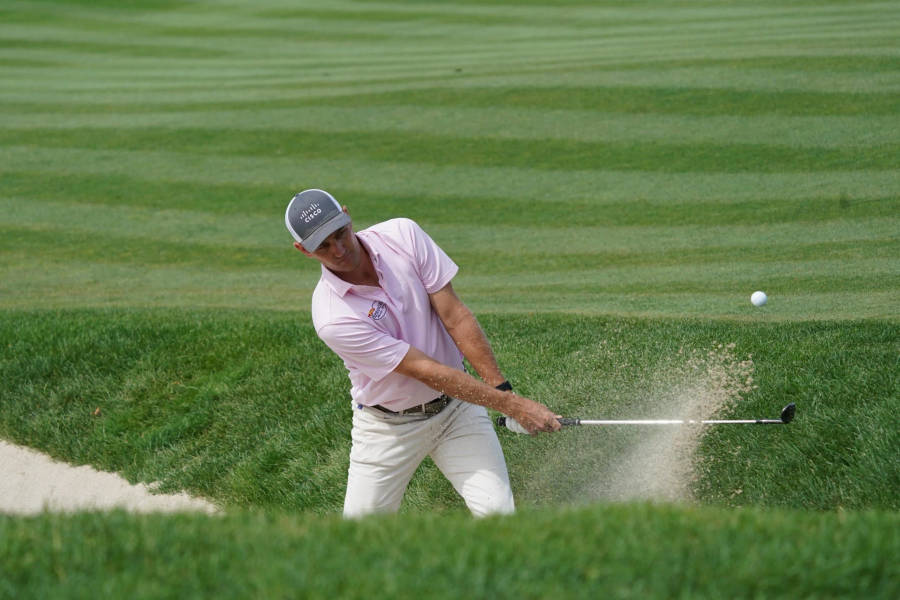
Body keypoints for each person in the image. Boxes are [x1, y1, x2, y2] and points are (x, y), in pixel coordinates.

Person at [285, 188, 561, 518]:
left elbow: (455, 315)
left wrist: (504, 392)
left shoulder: (402, 234)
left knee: (498, 514)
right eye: (323, 246)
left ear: (347, 215)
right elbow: (425, 370)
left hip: (456, 412)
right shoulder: (333, 316)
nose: (339, 249)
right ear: (303, 250)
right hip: (389, 428)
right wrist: (513, 407)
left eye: (340, 234)